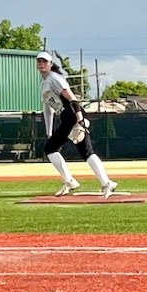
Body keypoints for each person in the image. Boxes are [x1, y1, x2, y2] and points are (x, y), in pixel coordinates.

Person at [36, 52, 118, 198]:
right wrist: (49, 132)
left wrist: (79, 118)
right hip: (66, 117)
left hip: (72, 115)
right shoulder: (44, 83)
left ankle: (98, 183)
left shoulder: (54, 78)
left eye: (45, 62)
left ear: (51, 64)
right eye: (39, 62)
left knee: (77, 151)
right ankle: (92, 182)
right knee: (60, 148)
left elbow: (72, 99)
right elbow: (48, 109)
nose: (42, 64)